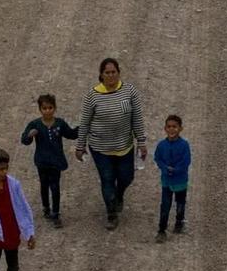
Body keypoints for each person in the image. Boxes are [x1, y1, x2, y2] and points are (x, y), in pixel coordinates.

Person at [75, 57, 146, 231]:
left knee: (126, 177)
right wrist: (80, 145)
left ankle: (119, 194)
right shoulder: (92, 96)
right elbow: (84, 122)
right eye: (107, 72)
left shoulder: (130, 92)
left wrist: (141, 142)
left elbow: (137, 118)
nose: (111, 75)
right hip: (101, 148)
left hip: (125, 146)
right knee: (107, 179)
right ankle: (111, 213)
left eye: (114, 72)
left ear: (119, 73)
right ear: (101, 74)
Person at [19, 93, 78, 226]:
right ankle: (46, 207)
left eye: (50, 108)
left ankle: (56, 214)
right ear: (40, 109)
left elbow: (71, 134)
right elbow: (24, 140)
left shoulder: (60, 124)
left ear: (55, 108)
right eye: (44, 108)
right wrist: (29, 136)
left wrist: (83, 128)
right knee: (44, 185)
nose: (47, 111)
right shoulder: (35, 124)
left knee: (55, 187)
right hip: (42, 161)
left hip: (56, 162)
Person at [153, 113, 191, 242]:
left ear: (180, 128)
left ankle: (179, 222)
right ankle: (161, 229)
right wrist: (165, 168)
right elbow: (157, 158)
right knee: (165, 205)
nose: (171, 129)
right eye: (169, 126)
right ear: (165, 128)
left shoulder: (184, 145)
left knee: (180, 203)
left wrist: (175, 170)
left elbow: (186, 161)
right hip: (166, 181)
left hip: (180, 181)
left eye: (175, 126)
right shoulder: (161, 145)